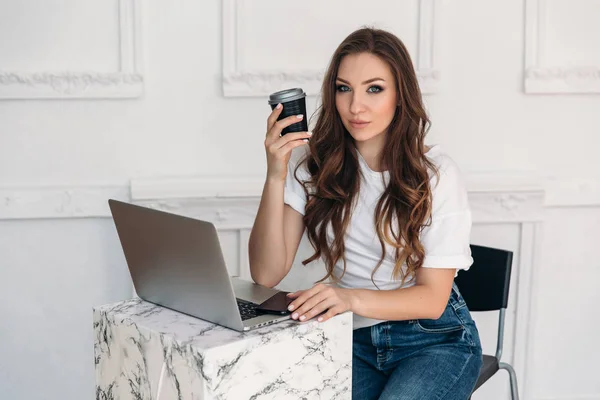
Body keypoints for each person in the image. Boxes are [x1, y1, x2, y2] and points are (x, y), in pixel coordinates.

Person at [248, 27, 482, 400]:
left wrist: (348, 298)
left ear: (400, 95)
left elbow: (432, 299)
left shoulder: (436, 174)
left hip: (433, 338)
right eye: (344, 89)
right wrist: (276, 172)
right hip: (352, 338)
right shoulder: (313, 167)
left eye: (374, 89)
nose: (356, 107)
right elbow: (265, 272)